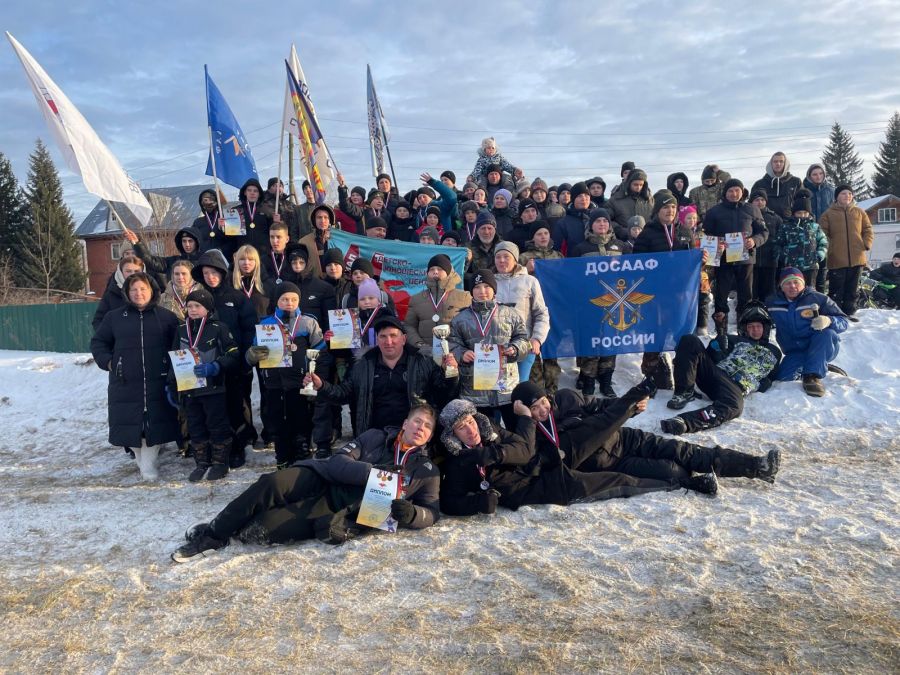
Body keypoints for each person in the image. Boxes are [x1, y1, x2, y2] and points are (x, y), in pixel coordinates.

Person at [171, 404, 441, 562]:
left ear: (428, 437)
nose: (420, 428)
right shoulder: (374, 437)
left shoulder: (426, 471)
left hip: (336, 510)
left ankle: (234, 529)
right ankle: (214, 533)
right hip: (321, 477)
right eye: (417, 421)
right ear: (405, 423)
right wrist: (372, 473)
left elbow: (432, 511)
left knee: (263, 529)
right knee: (272, 484)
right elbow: (338, 462)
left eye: (427, 427)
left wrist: (413, 514)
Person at [508, 381, 780, 496]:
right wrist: (526, 420)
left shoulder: (567, 398)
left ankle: (756, 467)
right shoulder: (533, 434)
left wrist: (632, 408)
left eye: (543, 403)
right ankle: (695, 482)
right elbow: (529, 453)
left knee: (684, 451)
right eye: (535, 409)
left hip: (624, 438)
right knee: (669, 469)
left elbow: (600, 407)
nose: (542, 410)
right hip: (610, 464)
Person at [90, 272, 180, 481]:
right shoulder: (114, 317)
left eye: (143, 289)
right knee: (131, 427)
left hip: (157, 381)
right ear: (127, 293)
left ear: (152, 291)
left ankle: (148, 467)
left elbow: (177, 347)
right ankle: (145, 464)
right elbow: (98, 343)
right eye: (134, 290)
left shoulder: (166, 317)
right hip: (125, 382)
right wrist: (110, 362)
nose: (139, 293)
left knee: (154, 425)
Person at [306, 316, 459, 437]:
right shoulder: (362, 365)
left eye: (394, 336)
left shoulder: (423, 362)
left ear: (404, 339)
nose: (389, 342)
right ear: (377, 340)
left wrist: (450, 374)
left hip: (413, 436)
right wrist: (321, 386)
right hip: (373, 435)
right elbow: (343, 394)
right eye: (383, 337)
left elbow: (443, 394)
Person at [660, 302, 783, 435]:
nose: (755, 330)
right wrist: (715, 347)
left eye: (758, 326)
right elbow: (709, 358)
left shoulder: (775, 351)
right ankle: (683, 392)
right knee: (690, 340)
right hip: (715, 374)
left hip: (734, 387)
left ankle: (684, 422)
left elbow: (771, 376)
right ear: (745, 328)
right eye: (751, 326)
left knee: (735, 406)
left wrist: (760, 385)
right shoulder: (733, 339)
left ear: (765, 328)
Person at [245, 282, 327, 468]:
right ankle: (282, 455)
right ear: (277, 301)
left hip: (299, 382)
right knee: (276, 419)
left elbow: (319, 350)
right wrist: (253, 355)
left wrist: (314, 372)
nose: (289, 303)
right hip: (274, 383)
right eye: (284, 299)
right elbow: (252, 352)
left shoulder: (308, 322)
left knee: (300, 417)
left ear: (299, 301)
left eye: (293, 299)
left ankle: (302, 452)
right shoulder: (266, 324)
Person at [192, 250, 258, 466]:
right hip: (207, 365)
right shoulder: (198, 301)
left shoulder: (237, 298)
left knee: (235, 406)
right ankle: (218, 447)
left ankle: (238, 447)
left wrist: (246, 359)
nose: (211, 277)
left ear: (222, 273)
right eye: (206, 273)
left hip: (235, 364)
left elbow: (249, 329)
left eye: (214, 272)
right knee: (213, 410)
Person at [168, 288, 239, 481]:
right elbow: (173, 358)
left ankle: (220, 462)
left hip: (213, 388)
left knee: (217, 424)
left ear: (207, 308)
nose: (192, 310)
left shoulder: (218, 328)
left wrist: (215, 367)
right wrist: (170, 384)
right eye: (189, 306)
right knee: (195, 426)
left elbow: (233, 354)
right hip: (189, 389)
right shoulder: (181, 330)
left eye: (197, 306)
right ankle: (202, 463)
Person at [448, 269, 529, 430]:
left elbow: (523, 339)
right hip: (475, 390)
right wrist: (462, 353)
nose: (482, 291)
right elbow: (452, 343)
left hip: (507, 386)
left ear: (494, 289)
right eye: (477, 287)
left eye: (486, 286)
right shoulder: (460, 319)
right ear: (471, 291)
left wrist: (515, 349)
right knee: (485, 435)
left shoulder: (511, 314)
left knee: (514, 432)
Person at [632, 190, 695, 390]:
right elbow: (636, 265)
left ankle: (684, 374)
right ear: (657, 210)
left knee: (681, 335)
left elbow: (692, 259)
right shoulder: (647, 234)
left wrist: (700, 260)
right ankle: (652, 374)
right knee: (654, 333)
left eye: (673, 207)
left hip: (680, 294)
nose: (670, 211)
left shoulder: (684, 232)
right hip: (654, 295)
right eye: (665, 207)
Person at [570, 208, 631, 398]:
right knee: (590, 343)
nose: (602, 225)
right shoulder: (581, 249)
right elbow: (572, 276)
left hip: (615, 305)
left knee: (609, 343)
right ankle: (588, 380)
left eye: (605, 221)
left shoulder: (622, 247)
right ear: (591, 226)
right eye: (598, 222)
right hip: (589, 305)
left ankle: (606, 381)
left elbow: (632, 272)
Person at [765, 267, 848, 396]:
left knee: (827, 334)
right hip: (795, 351)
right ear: (781, 286)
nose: (792, 286)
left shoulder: (819, 299)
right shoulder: (773, 302)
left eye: (796, 282)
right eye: (787, 283)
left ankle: (812, 375)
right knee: (782, 378)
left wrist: (829, 320)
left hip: (820, 345)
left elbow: (843, 321)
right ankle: (817, 364)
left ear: (803, 284)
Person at [702, 178, 769, 332]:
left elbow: (764, 232)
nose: (734, 193)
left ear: (742, 191)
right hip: (724, 259)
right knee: (721, 295)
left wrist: (754, 241)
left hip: (746, 259)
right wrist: (717, 244)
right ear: (725, 193)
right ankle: (721, 331)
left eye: (737, 190)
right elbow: (706, 234)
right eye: (730, 191)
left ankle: (745, 329)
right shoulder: (714, 212)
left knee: (746, 295)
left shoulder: (752, 209)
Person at [493, 243, 549, 383]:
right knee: (498, 388)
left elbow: (541, 313)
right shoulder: (489, 283)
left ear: (515, 259)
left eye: (506, 256)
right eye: (498, 257)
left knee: (520, 386)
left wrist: (537, 338)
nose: (502, 260)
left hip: (525, 344)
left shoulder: (530, 281)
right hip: (497, 347)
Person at [818, 185, 873, 320]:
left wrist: (865, 244)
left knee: (853, 288)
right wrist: (831, 249)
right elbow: (822, 234)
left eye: (849, 193)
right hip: (836, 258)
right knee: (837, 289)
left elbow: (868, 229)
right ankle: (836, 313)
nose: (847, 196)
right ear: (837, 196)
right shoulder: (828, 214)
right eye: (843, 193)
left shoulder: (860, 212)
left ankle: (850, 312)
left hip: (857, 257)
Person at [404, 254, 472, 358]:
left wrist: (461, 350)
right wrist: (420, 345)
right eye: (432, 269)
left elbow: (471, 327)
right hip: (424, 356)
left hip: (454, 356)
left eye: (440, 269)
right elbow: (409, 326)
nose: (435, 272)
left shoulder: (464, 297)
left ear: (448, 273)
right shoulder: (416, 299)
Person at [771, 189, 828, 288]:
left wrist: (818, 255)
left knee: (809, 291)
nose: (802, 216)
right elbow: (777, 245)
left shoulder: (815, 227)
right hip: (791, 267)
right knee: (793, 290)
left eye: (805, 213)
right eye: (799, 213)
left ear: (809, 213)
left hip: (810, 267)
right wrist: (784, 258)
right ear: (794, 213)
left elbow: (823, 242)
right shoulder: (786, 227)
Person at [123, 225, 202, 291]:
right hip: (174, 303)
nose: (187, 244)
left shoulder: (203, 262)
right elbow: (149, 260)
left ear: (197, 242)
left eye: (190, 241)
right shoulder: (173, 261)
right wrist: (137, 243)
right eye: (184, 241)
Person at [92, 255, 145, 331]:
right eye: (128, 271)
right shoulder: (111, 294)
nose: (133, 274)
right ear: (121, 272)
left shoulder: (150, 292)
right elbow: (98, 321)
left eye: (137, 271)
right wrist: (111, 338)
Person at [749, 189, 784, 303]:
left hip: (770, 261)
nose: (760, 202)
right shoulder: (746, 215)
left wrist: (777, 254)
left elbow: (781, 238)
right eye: (756, 200)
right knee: (751, 292)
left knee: (769, 292)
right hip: (751, 261)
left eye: (762, 199)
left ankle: (769, 315)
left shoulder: (775, 218)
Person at [803, 164, 835, 293]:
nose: (818, 177)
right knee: (809, 271)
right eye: (815, 174)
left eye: (820, 174)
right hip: (807, 234)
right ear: (809, 176)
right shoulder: (804, 190)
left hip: (826, 233)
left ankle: (821, 298)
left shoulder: (831, 190)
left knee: (823, 269)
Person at [751, 152, 802, 219]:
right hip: (766, 223)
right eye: (775, 161)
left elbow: (802, 204)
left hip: (789, 223)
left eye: (781, 161)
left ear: (785, 164)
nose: (778, 164)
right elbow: (752, 205)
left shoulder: (795, 182)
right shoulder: (759, 184)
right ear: (771, 164)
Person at [607, 168, 655, 239]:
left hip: (646, 240)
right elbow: (606, 219)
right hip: (623, 241)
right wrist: (620, 230)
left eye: (641, 185)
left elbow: (655, 219)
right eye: (635, 184)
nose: (638, 187)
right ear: (629, 183)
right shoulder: (616, 199)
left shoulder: (649, 200)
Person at [552, 181, 594, 254]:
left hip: (596, 263)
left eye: (586, 195)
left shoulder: (600, 219)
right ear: (573, 199)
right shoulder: (563, 224)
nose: (583, 198)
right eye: (579, 196)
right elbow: (557, 251)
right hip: (573, 263)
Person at [236, 178, 271, 256]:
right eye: (249, 190)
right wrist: (223, 227)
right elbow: (230, 237)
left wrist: (276, 222)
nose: (252, 193)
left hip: (263, 253)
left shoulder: (267, 210)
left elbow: (272, 231)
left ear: (259, 194)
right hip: (243, 254)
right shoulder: (236, 211)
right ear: (245, 192)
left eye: (255, 191)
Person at [297, 203, 333, 279]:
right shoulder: (303, 242)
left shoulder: (337, 240)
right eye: (319, 217)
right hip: (313, 284)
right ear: (314, 220)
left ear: (330, 220)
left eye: (326, 217)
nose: (322, 220)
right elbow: (300, 266)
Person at [467, 211, 503, 280]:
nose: (486, 232)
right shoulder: (468, 248)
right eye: (483, 228)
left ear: (495, 230)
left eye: (489, 228)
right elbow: (461, 274)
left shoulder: (504, 247)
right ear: (477, 231)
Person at [192, 188, 226, 254]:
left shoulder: (225, 219)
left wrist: (222, 230)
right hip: (204, 258)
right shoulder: (198, 222)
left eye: (211, 200)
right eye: (205, 200)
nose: (208, 203)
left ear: (217, 201)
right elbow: (193, 241)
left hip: (223, 258)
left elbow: (232, 240)